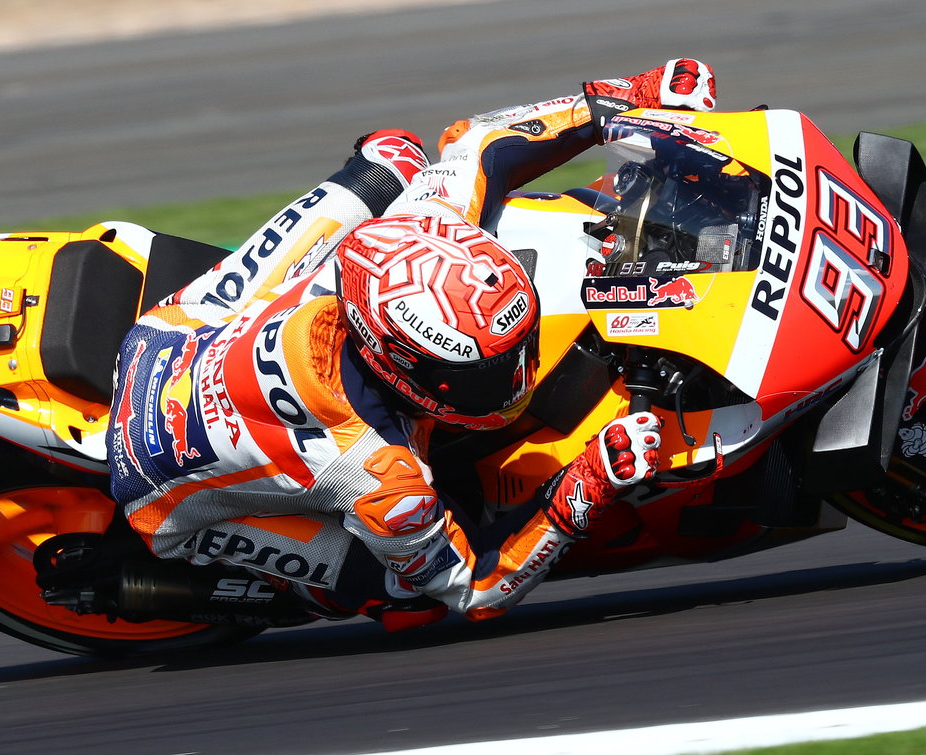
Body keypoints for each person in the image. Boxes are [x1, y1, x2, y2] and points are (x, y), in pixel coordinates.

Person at [62, 59, 718, 631]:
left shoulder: (421, 227)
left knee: (395, 157)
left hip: (181, 330)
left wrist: (629, 99)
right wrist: (588, 482)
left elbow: (479, 142)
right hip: (156, 477)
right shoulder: (379, 473)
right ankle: (228, 582)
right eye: (482, 374)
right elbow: (476, 589)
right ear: (400, 369)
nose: (513, 378)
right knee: (409, 595)